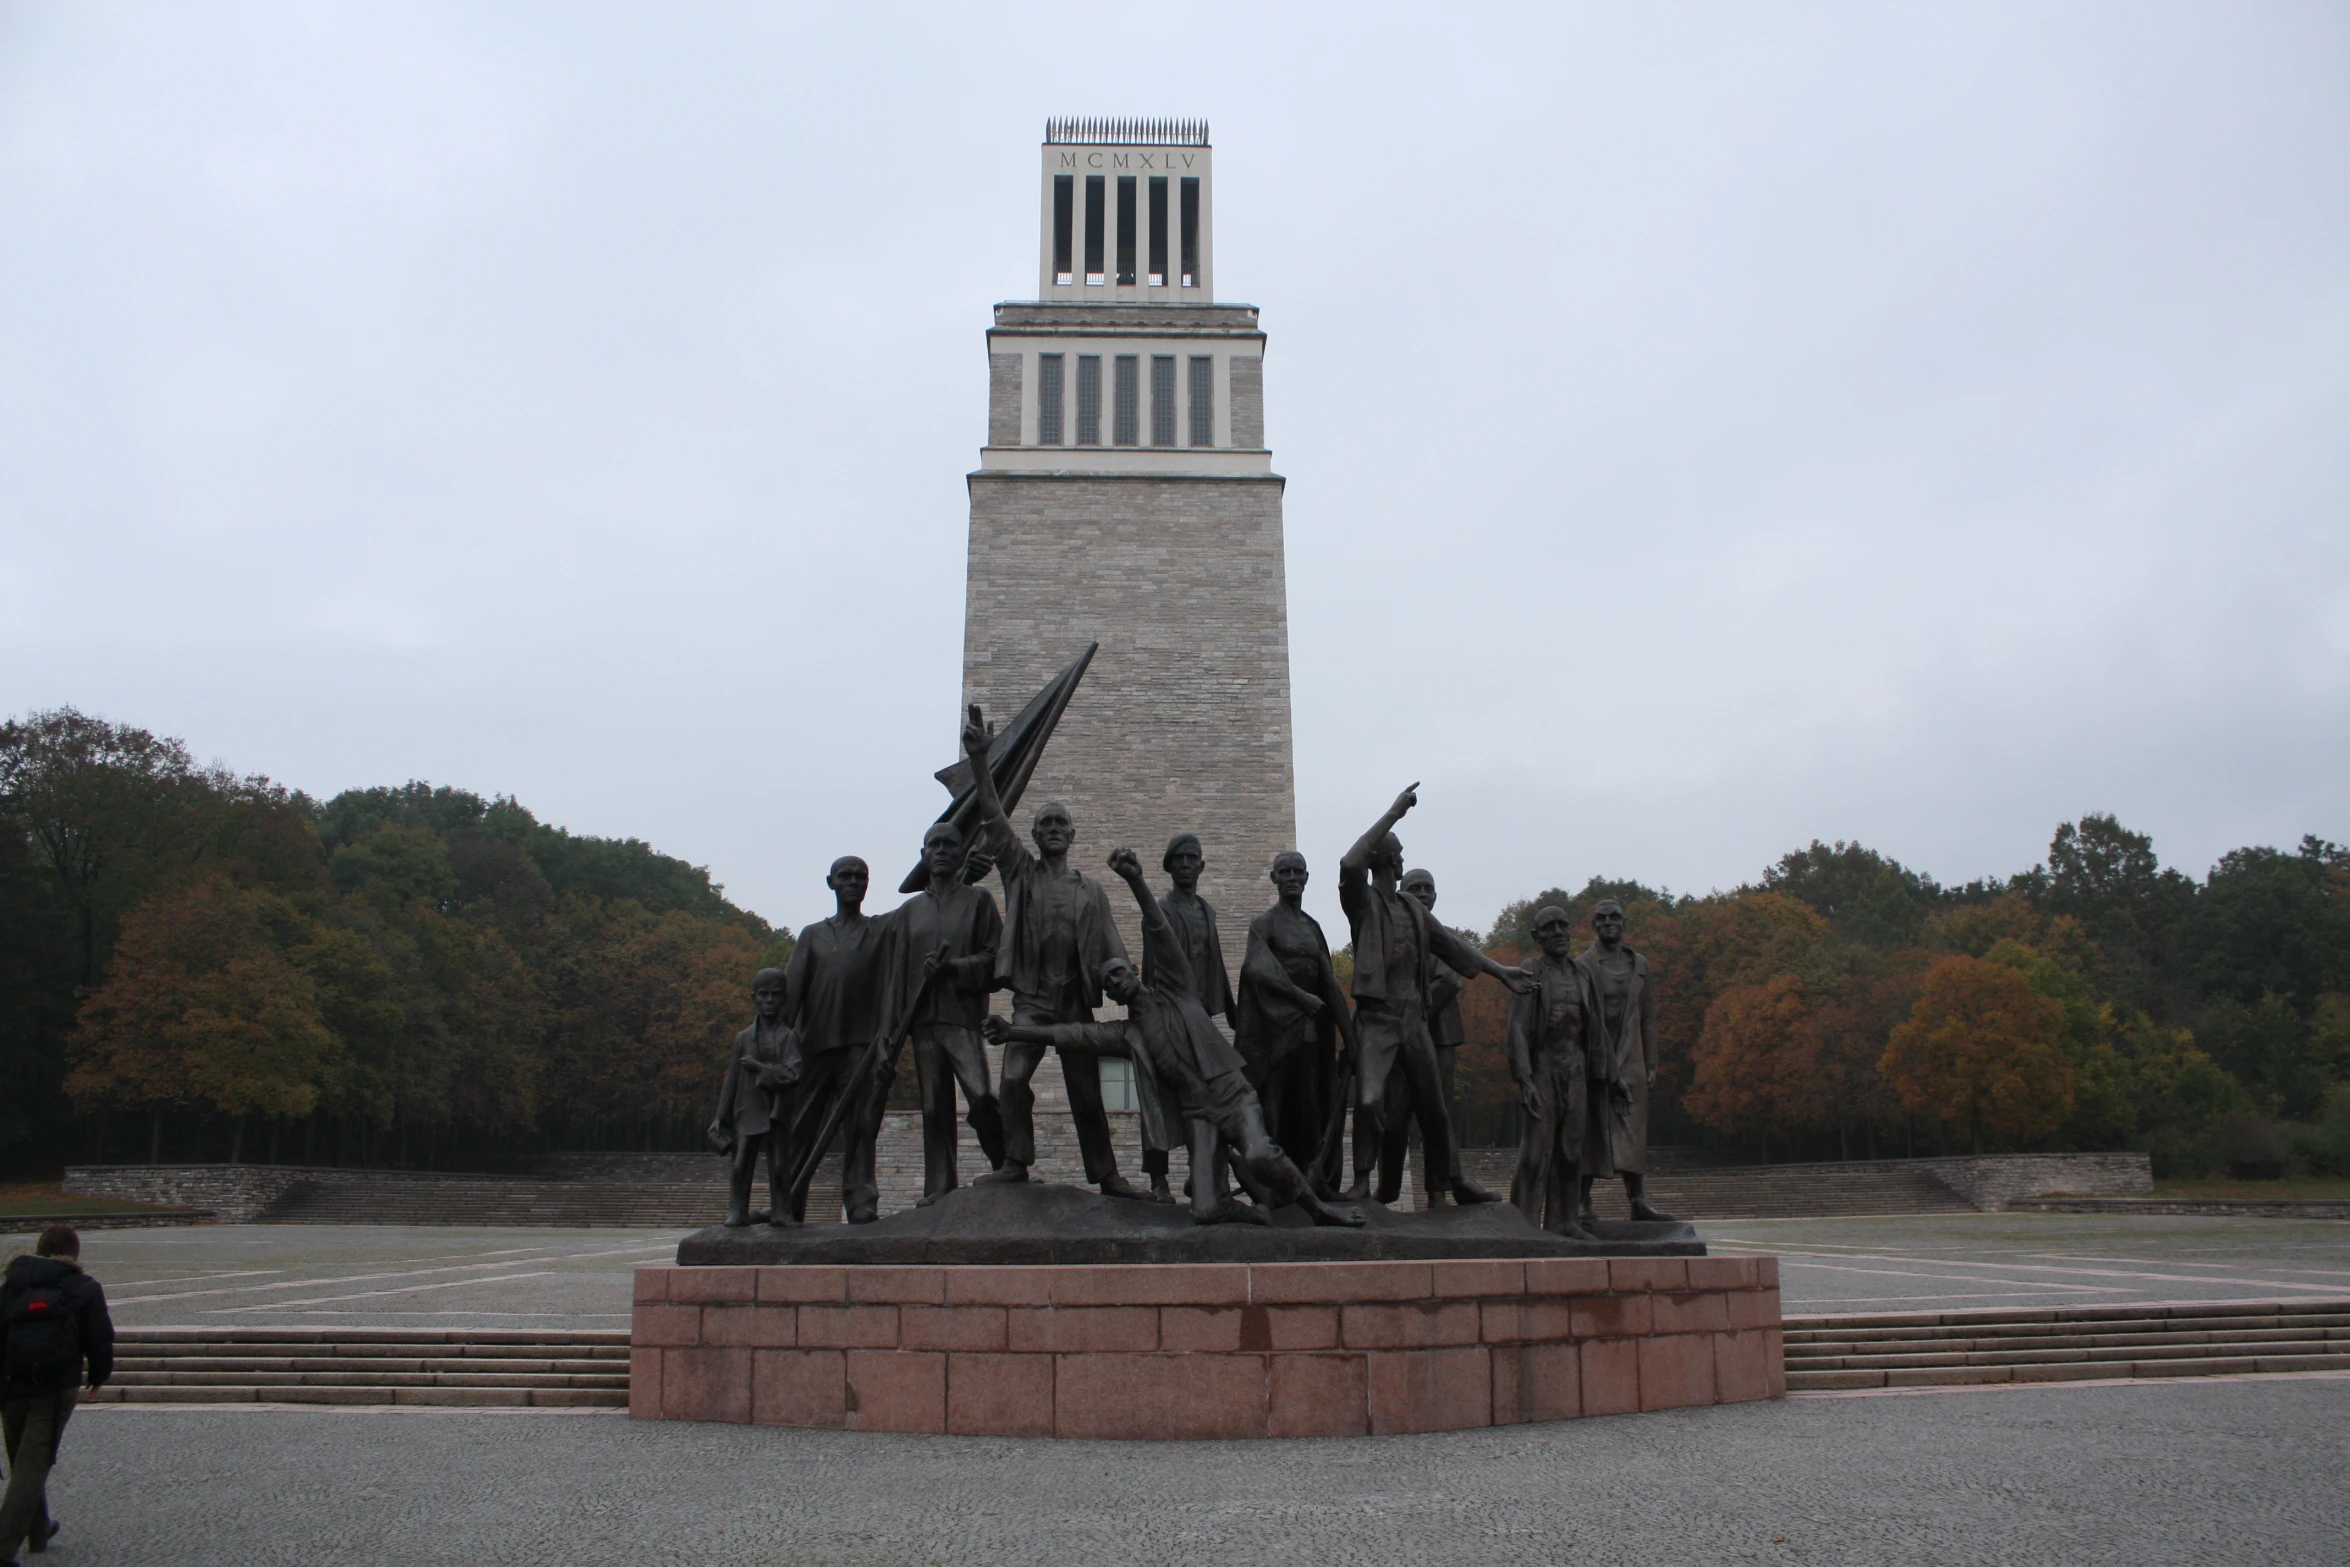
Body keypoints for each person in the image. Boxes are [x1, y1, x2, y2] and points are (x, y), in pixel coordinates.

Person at [985, 849, 1364, 1228]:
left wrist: (1135, 880)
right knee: (1204, 1209)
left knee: (1260, 1154)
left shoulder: (1178, 989)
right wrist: (1013, 1031)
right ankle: (1251, 1214)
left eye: (1119, 973)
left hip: (1232, 1097)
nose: (1116, 982)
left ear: (1135, 972)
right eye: (1109, 983)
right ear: (1112, 996)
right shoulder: (1127, 1033)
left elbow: (1159, 929)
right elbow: (1068, 1034)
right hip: (1200, 1114)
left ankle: (1320, 1210)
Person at [959, 707, 1155, 1200]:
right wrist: (981, 763)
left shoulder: (1091, 891)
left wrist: (1130, 984)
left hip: (1074, 1001)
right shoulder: (1020, 874)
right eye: (1043, 822)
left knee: (1086, 1093)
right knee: (1013, 1079)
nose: (1051, 828)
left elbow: (1112, 947)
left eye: (1059, 823)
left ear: (1071, 835)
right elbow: (992, 817)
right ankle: (1015, 1162)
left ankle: (1107, 1175)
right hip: (1030, 997)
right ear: (1035, 835)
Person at [1338, 784, 1528, 1204]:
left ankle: (1453, 1180)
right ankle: (1362, 1182)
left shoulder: (1414, 910)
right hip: (1378, 1020)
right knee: (1369, 1100)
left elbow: (1457, 949)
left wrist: (1501, 973)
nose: (1404, 858)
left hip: (1413, 1020)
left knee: (1434, 1106)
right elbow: (1349, 861)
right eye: (1399, 852)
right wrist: (1393, 812)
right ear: (1385, 858)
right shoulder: (1363, 904)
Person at [870, 820, 1007, 1204]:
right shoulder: (909, 911)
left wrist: (954, 968)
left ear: (961, 853)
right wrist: (888, 1037)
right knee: (934, 1107)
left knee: (981, 1096)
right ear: (924, 855)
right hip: (923, 1022)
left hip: (962, 1017)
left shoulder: (978, 900)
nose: (943, 851)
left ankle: (1006, 1163)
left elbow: (996, 959)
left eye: (950, 844)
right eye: (935, 845)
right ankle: (940, 1187)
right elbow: (896, 978)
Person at [779, 856, 890, 1222]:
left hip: (860, 1048)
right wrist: (777, 1045)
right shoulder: (813, 934)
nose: (853, 882)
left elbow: (917, 906)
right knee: (801, 1127)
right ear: (830, 882)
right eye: (845, 876)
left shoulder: (879, 930)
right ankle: (787, 1203)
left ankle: (860, 1202)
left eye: (860, 877)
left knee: (860, 1128)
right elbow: (791, 993)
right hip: (814, 1047)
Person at [1232, 850, 1353, 1183]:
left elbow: (1329, 984)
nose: (1291, 878)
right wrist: (1299, 996)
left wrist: (1351, 1039)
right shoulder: (1264, 924)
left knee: (1309, 1107)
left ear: (1306, 878)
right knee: (1270, 1108)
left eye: (1297, 872)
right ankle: (1268, 1184)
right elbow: (1256, 968)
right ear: (1274, 879)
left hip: (1308, 1033)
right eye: (1284, 872)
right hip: (1273, 1033)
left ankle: (1310, 1182)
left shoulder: (1312, 927)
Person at [0, 1225, 114, 1564]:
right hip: (54, 1386)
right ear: (74, 1252)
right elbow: (99, 1336)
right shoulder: (83, 1286)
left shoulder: (12, 1284)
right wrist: (98, 1376)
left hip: (11, 1384)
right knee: (32, 1465)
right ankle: (4, 1546)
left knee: (24, 1458)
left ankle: (39, 1529)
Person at [1372, 868, 1475, 1203]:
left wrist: (1411, 1018)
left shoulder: (1443, 936)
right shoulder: (1393, 935)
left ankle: (1439, 1191)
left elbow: (1450, 981)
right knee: (1395, 1115)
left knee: (1437, 1113)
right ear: (1403, 893)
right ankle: (1387, 1188)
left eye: (1428, 889)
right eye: (1414, 888)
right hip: (1401, 1040)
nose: (1423, 894)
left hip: (1438, 1036)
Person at [1507, 907, 1608, 1240]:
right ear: (1537, 937)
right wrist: (1524, 1079)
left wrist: (1607, 1076)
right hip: (1544, 1068)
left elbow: (1595, 1029)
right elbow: (1518, 1028)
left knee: (1571, 1150)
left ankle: (1564, 1221)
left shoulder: (1582, 973)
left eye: (1563, 925)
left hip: (1576, 1069)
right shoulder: (1531, 970)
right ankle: (1523, 1223)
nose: (1558, 932)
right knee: (1536, 1152)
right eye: (1548, 928)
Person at [1577, 899, 1676, 1224]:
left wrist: (1651, 1061)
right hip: (1595, 1058)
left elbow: (1647, 1017)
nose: (1608, 923)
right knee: (1592, 1129)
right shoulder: (1583, 965)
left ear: (1624, 924)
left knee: (1633, 1130)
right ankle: (1582, 1201)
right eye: (1601, 918)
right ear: (1594, 926)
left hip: (1632, 1057)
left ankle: (1637, 1200)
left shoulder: (1640, 965)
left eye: (1614, 918)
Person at [708, 969, 801, 1228]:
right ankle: (737, 1210)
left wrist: (760, 1067)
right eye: (763, 995)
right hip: (747, 1110)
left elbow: (793, 1073)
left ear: (784, 999)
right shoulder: (743, 1038)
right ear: (754, 998)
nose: (769, 1000)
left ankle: (781, 1211)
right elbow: (732, 1080)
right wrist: (720, 1116)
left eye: (775, 995)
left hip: (777, 1111)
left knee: (780, 1165)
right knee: (741, 1164)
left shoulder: (788, 1037)